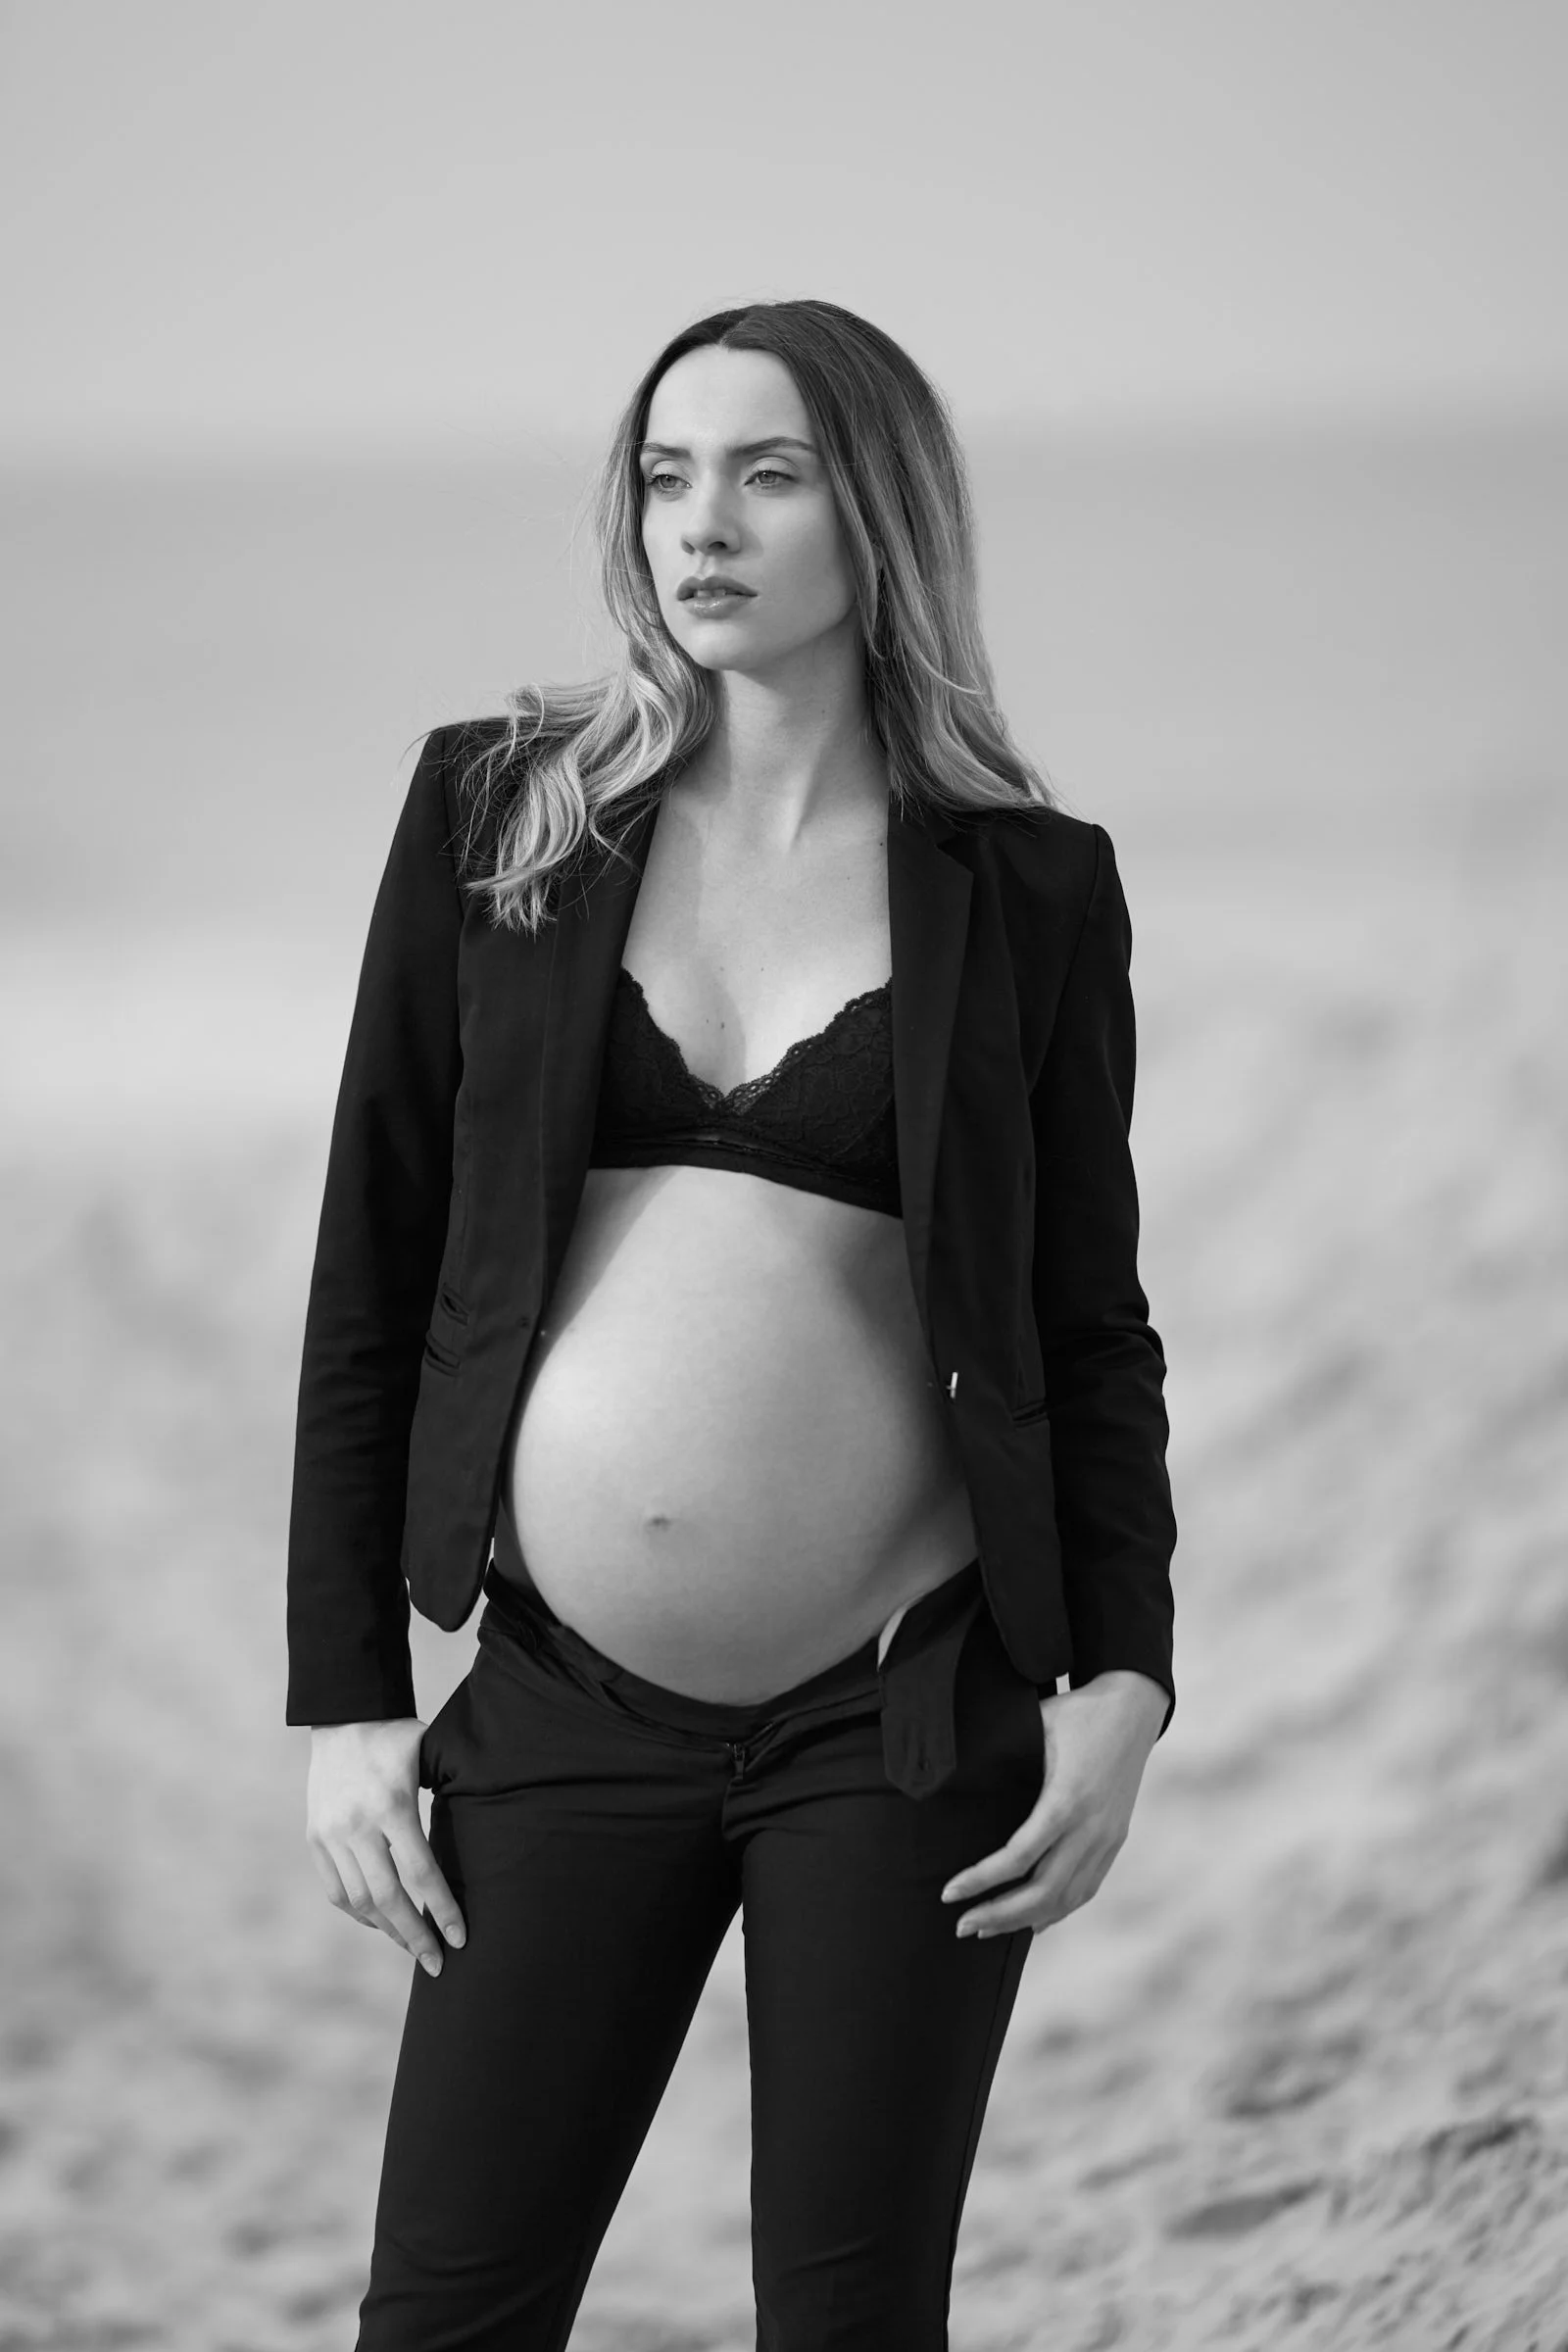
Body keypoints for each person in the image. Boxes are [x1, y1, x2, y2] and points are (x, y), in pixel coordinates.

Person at [287, 297, 1177, 2351]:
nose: (703, 523)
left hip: (901, 1717)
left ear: (871, 513)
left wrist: (1123, 1675)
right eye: (666, 473)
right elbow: (373, 1271)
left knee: (852, 2323)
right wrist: (346, 1705)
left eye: (765, 473)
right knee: (443, 2311)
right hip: (563, 1702)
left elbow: (1085, 1320)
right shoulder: (499, 815)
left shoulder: (1026, 890)